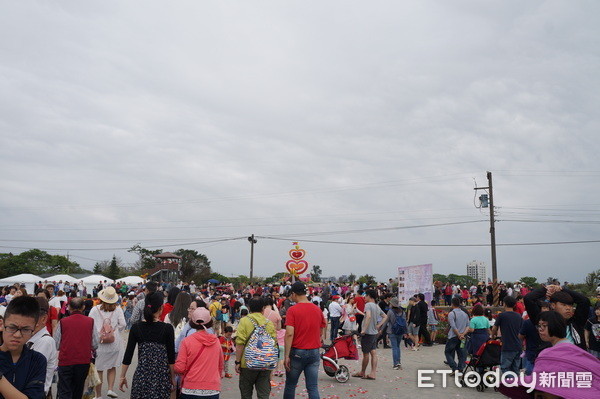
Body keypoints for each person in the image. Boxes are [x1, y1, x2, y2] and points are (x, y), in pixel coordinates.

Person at [120, 291, 176, 399]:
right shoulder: (167, 328)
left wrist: (122, 376)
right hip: (161, 377)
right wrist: (172, 377)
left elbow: (128, 355)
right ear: (161, 308)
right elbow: (171, 357)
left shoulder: (136, 327)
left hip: (141, 376)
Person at [283, 282, 326, 399]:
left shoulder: (292, 310)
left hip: (297, 352)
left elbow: (289, 333)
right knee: (312, 387)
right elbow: (321, 329)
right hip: (314, 351)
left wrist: (286, 356)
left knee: (291, 385)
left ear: (294, 294)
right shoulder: (317, 309)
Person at [0, 296, 47, 399]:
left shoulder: (38, 361)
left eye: (25, 330)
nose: (17, 335)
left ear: (34, 330)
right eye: (12, 327)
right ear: (2, 324)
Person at [54, 296, 98, 399]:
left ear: (69, 308)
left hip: (66, 360)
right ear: (83, 307)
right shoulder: (90, 321)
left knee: (64, 390)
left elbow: (56, 344)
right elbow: (95, 344)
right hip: (83, 360)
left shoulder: (63, 322)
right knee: (78, 390)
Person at [175, 307, 224, 399]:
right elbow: (220, 365)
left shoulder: (186, 341)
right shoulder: (216, 341)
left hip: (190, 389)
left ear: (192, 323)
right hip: (212, 390)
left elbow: (180, 368)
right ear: (210, 323)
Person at [524, 283, 591, 350]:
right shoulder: (544, 321)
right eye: (563, 305)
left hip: (575, 358)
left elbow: (584, 301)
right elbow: (528, 299)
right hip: (551, 358)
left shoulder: (576, 322)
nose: (568, 308)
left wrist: (563, 290)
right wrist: (545, 290)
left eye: (570, 305)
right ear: (553, 305)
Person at [234, 297, 277, 399]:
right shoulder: (268, 323)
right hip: (265, 363)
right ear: (263, 308)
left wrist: (237, 362)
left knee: (246, 393)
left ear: (249, 308)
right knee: (263, 394)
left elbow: (240, 344)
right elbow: (274, 344)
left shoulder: (244, 321)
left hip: (247, 363)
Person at [89, 286, 126, 399]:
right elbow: (123, 324)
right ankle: (110, 389)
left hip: (99, 343)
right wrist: (114, 331)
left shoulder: (95, 309)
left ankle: (98, 395)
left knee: (99, 369)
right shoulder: (118, 309)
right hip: (113, 343)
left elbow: (90, 323)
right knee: (112, 367)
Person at [353, 289, 388, 380]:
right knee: (373, 353)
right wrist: (378, 325)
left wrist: (363, 329)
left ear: (369, 296)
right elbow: (385, 316)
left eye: (366, 296)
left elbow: (368, 316)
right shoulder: (377, 306)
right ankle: (373, 373)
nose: (364, 297)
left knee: (366, 354)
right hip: (374, 332)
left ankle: (362, 372)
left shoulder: (368, 305)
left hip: (368, 333)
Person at [27, 297, 58, 397]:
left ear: (43, 318)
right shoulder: (31, 337)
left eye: (29, 315)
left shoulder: (45, 341)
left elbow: (29, 370)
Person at [492, 295, 523, 375]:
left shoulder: (502, 316)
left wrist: (493, 336)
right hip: (518, 346)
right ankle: (516, 385)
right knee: (515, 369)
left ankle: (511, 383)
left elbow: (494, 328)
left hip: (507, 346)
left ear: (504, 304)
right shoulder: (519, 316)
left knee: (505, 368)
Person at [445, 297, 469, 376]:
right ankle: (460, 369)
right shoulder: (465, 314)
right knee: (461, 354)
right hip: (462, 337)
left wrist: (458, 334)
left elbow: (453, 326)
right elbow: (468, 326)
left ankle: (454, 368)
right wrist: (463, 334)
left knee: (448, 352)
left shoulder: (452, 313)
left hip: (453, 336)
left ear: (452, 304)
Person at [385, 297, 406, 370]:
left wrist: (381, 330)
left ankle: (395, 363)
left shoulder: (390, 312)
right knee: (398, 346)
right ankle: (399, 361)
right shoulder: (402, 311)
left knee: (394, 347)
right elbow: (405, 322)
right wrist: (405, 332)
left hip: (392, 331)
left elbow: (386, 321)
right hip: (400, 331)